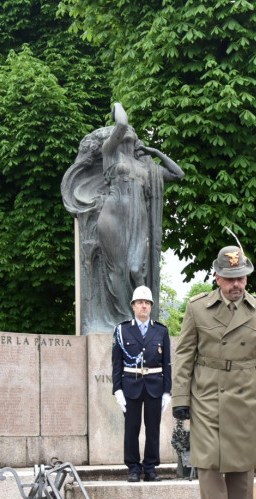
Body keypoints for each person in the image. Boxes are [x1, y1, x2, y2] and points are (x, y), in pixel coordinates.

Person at [171, 244, 256, 499]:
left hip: (246, 394)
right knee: (207, 461)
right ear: (218, 278)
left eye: (241, 278)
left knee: (243, 464)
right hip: (207, 393)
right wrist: (180, 397)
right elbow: (183, 355)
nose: (236, 284)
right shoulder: (197, 308)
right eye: (230, 278)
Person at [62, 102, 184, 333]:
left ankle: (136, 319)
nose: (129, 132)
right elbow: (121, 123)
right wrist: (117, 104)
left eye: (132, 133)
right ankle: (119, 321)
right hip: (114, 214)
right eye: (126, 132)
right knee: (116, 268)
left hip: (138, 220)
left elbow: (178, 174)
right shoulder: (111, 154)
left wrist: (156, 153)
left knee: (137, 269)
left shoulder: (146, 166)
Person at [112, 286, 172, 482]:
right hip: (131, 385)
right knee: (132, 428)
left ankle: (151, 467)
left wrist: (167, 391)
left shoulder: (161, 330)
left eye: (147, 303)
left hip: (155, 385)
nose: (144, 306)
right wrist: (117, 389)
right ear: (133, 306)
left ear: (151, 306)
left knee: (153, 428)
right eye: (140, 303)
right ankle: (134, 469)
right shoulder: (122, 330)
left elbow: (167, 363)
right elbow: (117, 362)